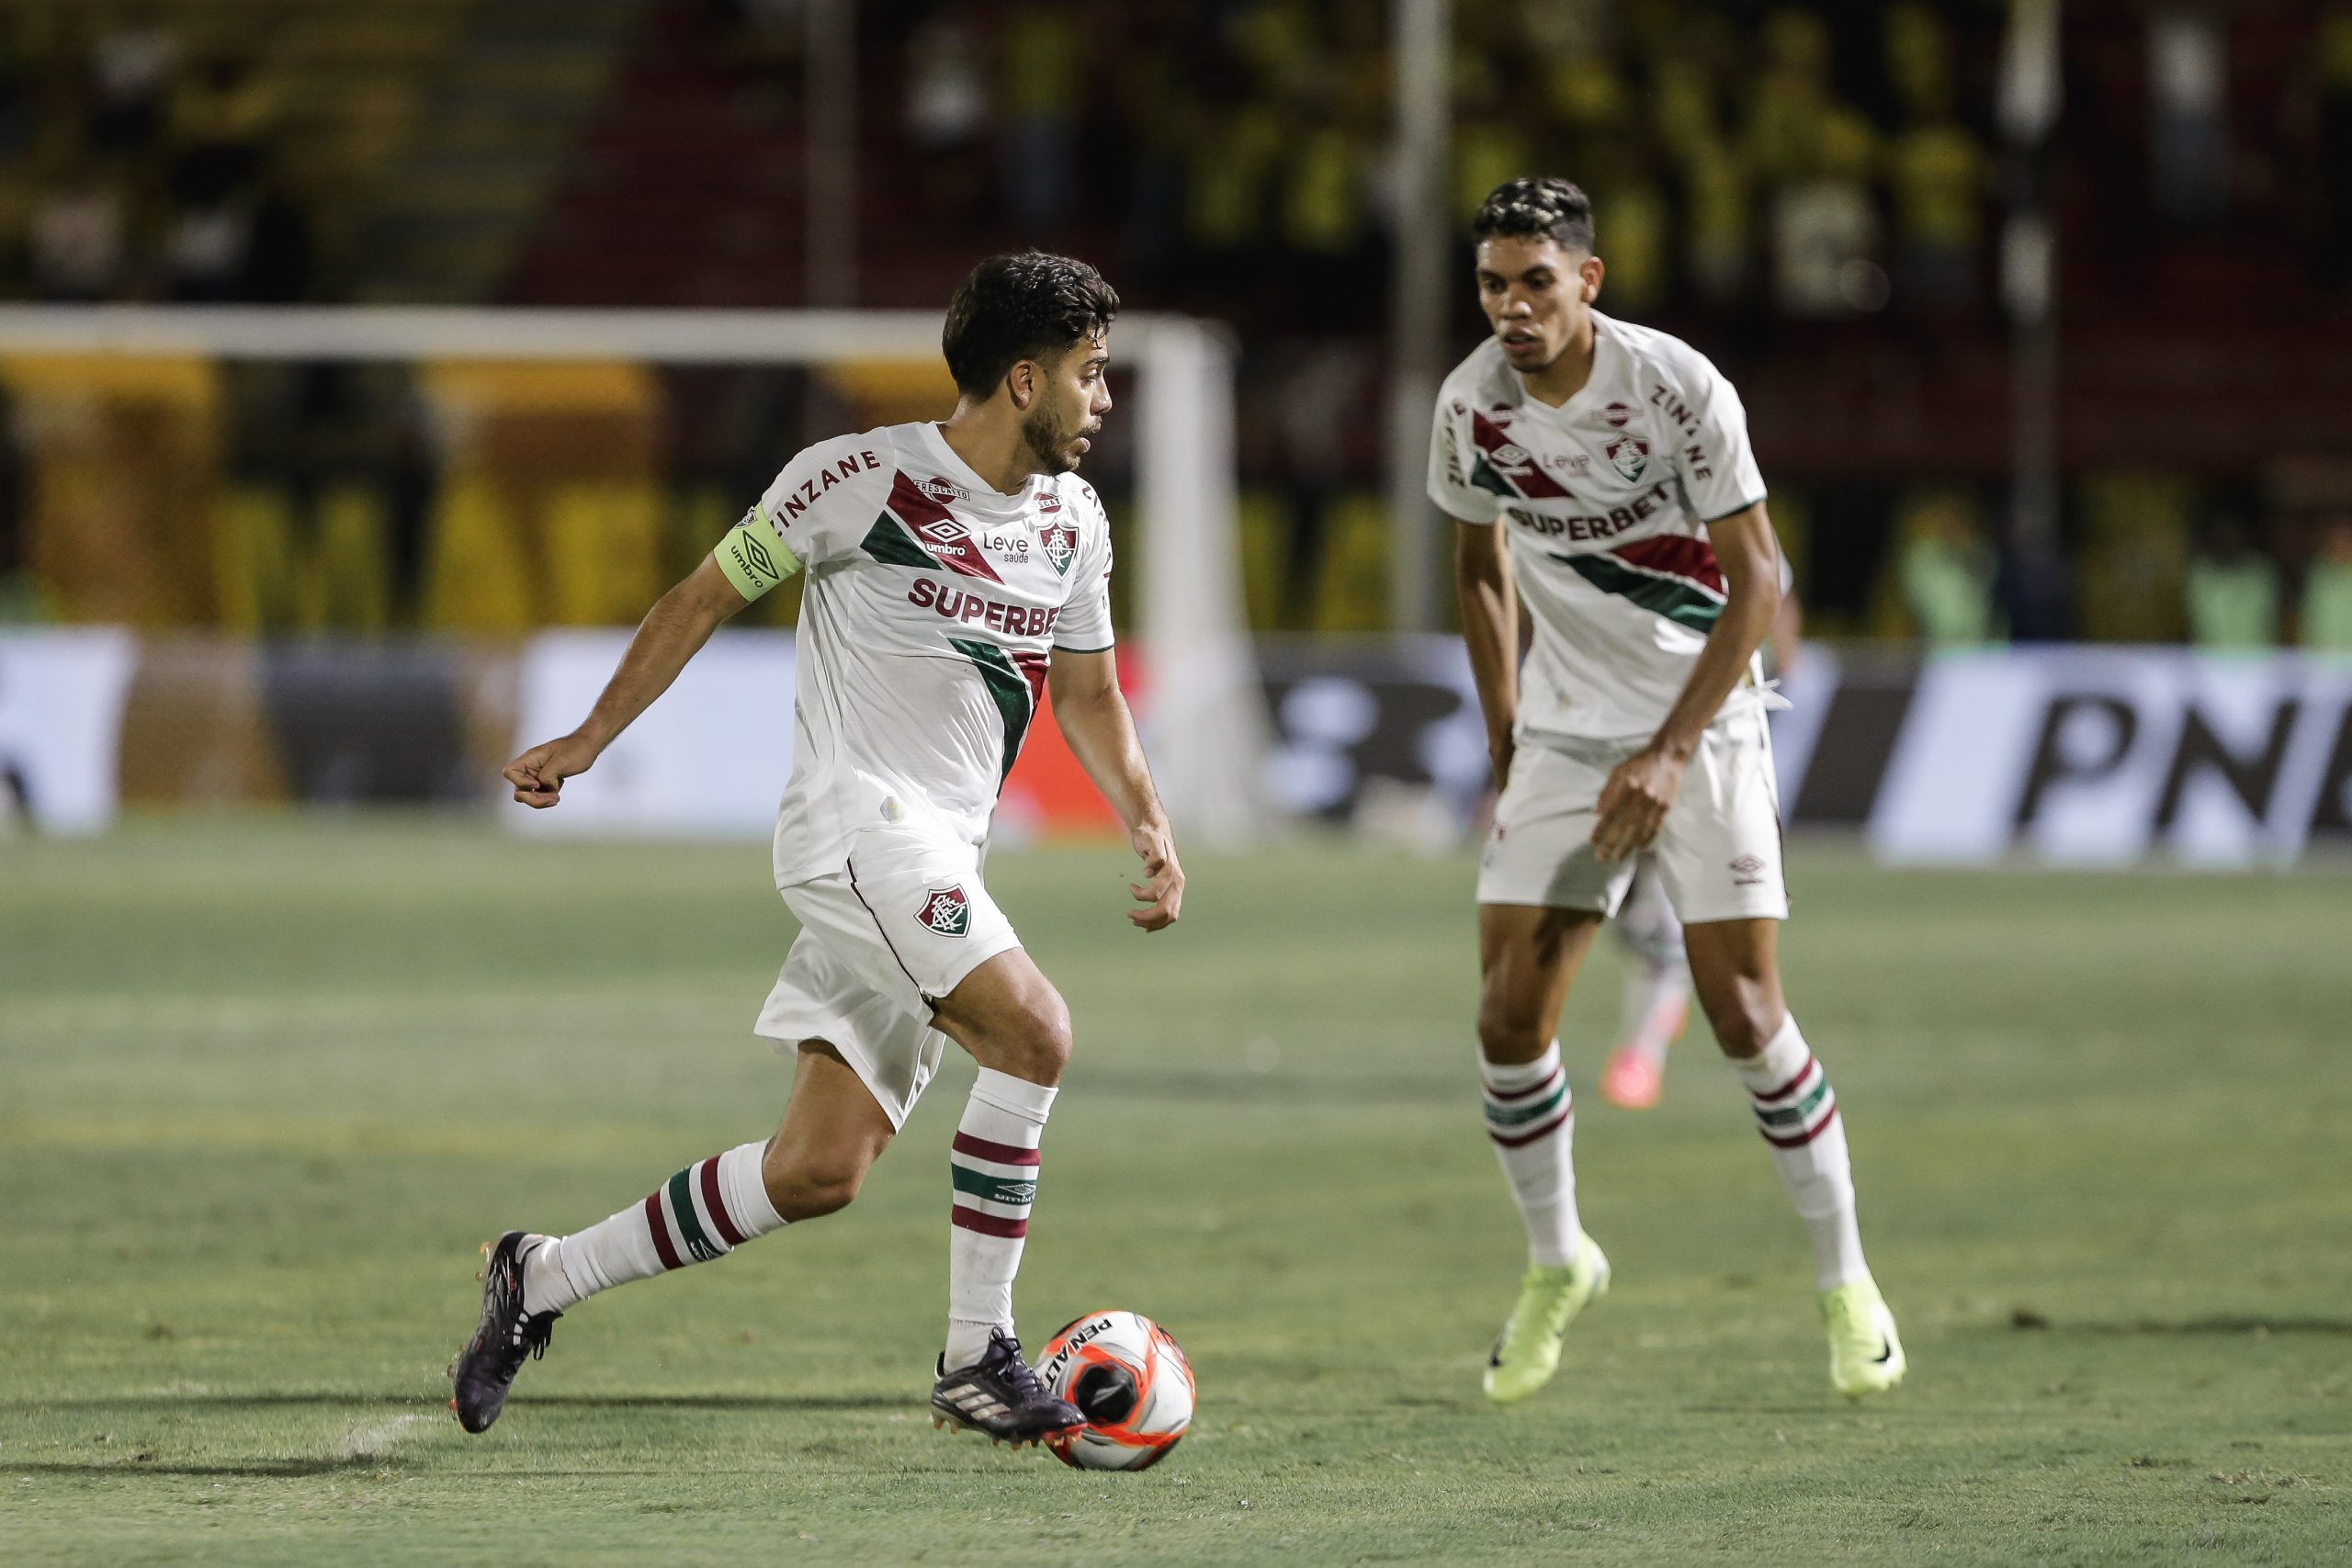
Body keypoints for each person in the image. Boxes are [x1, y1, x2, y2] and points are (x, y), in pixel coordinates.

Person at [450, 253, 1184, 1450]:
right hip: (859, 830)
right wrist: (588, 736)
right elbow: (700, 596)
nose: (1104, 400)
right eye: (1091, 375)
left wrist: (1147, 818)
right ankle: (975, 1354)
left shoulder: (1073, 522)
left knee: (817, 1168)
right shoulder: (857, 478)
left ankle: (537, 1277)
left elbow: (1091, 688)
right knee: (1036, 1030)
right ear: (1021, 376)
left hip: (938, 856)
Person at [1430, 177, 1904, 1404]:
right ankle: (1559, 1260)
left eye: (1536, 281)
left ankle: (1849, 1285)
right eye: (1493, 283)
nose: (1512, 307)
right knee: (1505, 1022)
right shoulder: (1471, 406)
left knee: (1744, 1010)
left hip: (1706, 727)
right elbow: (1478, 572)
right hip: (1567, 739)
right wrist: (1505, 733)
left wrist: (1671, 749)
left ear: (1590, 278)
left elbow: (1759, 580)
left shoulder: (1677, 387)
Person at [1600, 570, 1800, 1112]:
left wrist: (1784, 662)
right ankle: (1665, 989)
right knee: (1621, 903)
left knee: (1664, 917)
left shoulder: (1727, 510)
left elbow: (1772, 593)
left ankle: (1641, 1057)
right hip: (1623, 722)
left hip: (1705, 737)